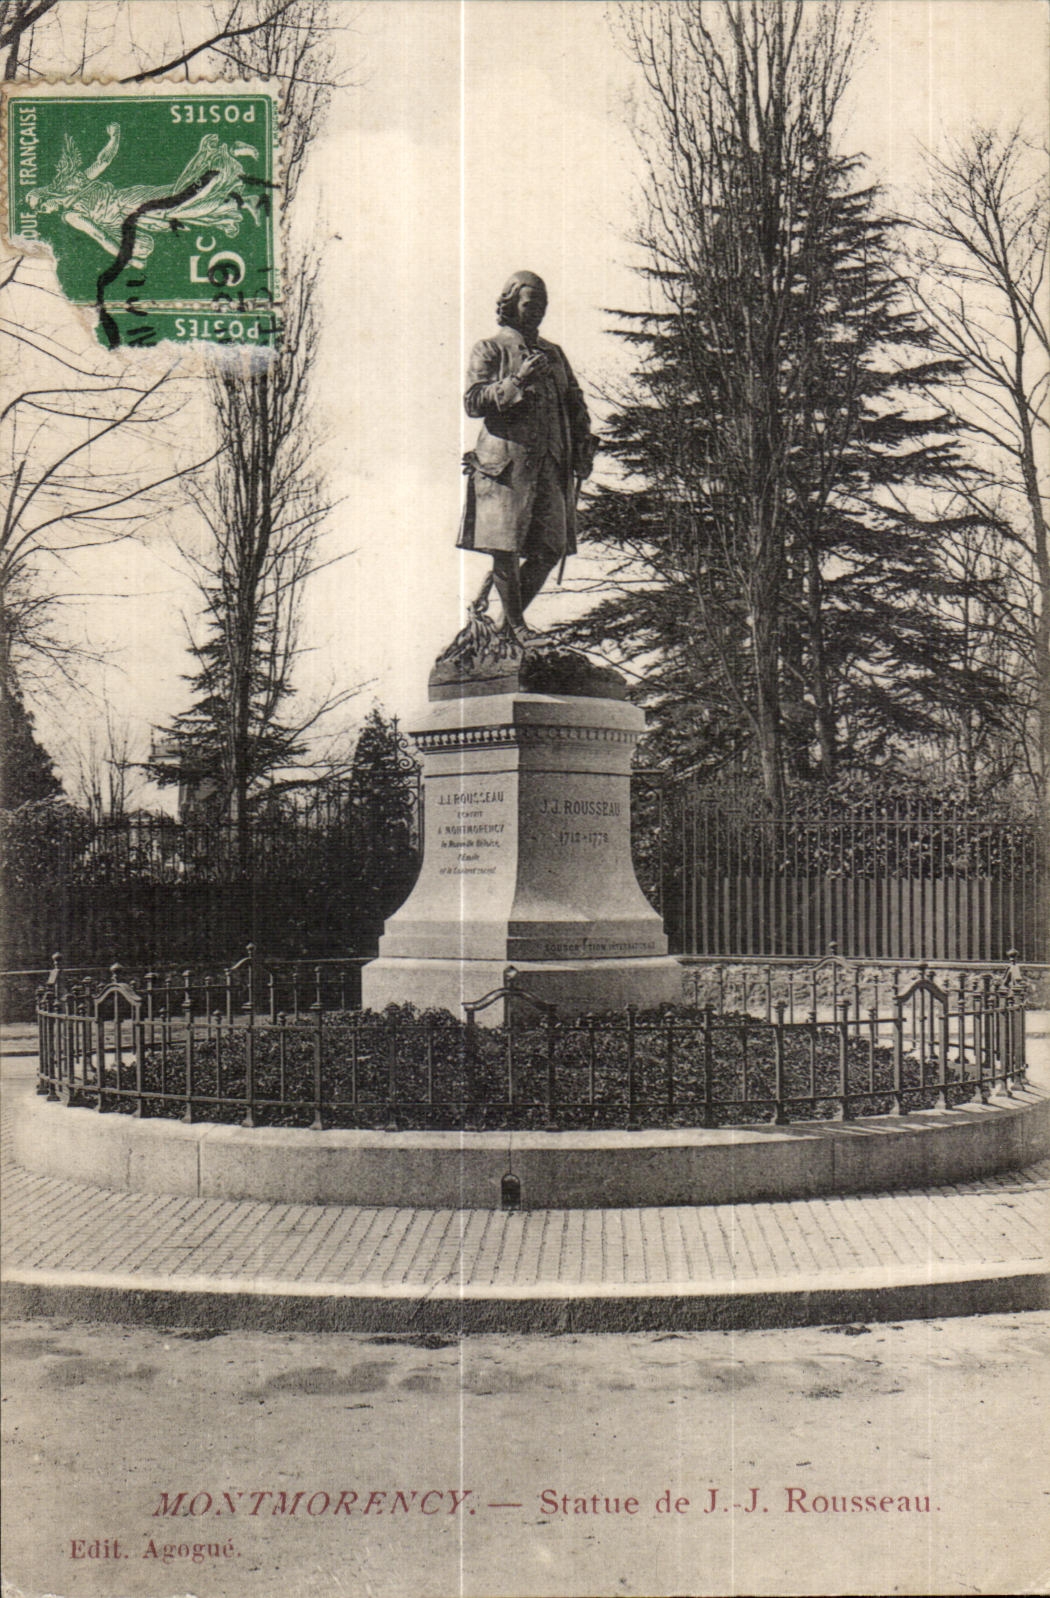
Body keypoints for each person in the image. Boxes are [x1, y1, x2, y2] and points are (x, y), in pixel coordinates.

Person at [457, 271, 595, 644]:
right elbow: (473, 402)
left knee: (550, 547)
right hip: (504, 467)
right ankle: (516, 628)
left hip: (552, 465)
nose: (537, 311)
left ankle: (506, 626)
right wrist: (516, 380)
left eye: (542, 304)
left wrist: (584, 445)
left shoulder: (554, 353)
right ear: (510, 304)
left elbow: (575, 403)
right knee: (505, 546)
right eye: (529, 303)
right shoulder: (490, 349)